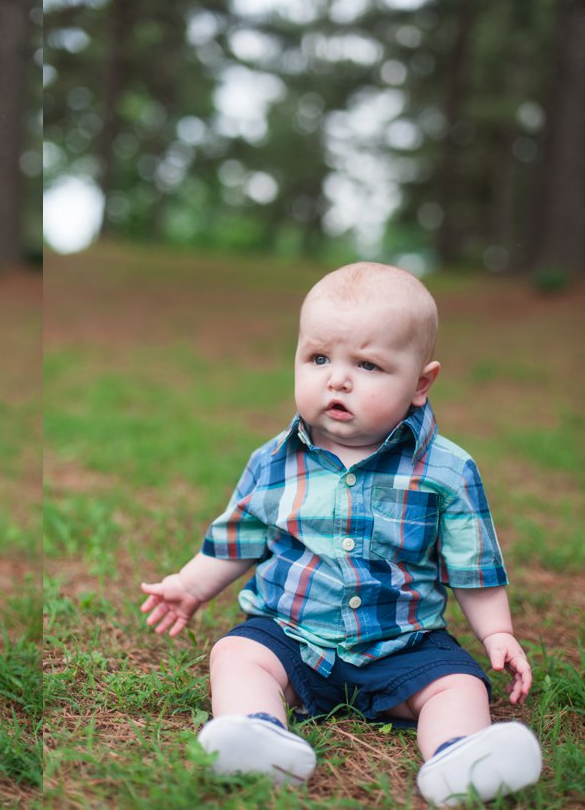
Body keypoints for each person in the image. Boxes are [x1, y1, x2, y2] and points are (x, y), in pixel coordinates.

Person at [140, 263, 542, 806]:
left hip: (405, 642)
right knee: (237, 654)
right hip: (293, 637)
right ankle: (260, 734)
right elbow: (241, 536)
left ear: (420, 383)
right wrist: (189, 586)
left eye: (369, 365)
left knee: (460, 684)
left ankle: (458, 756)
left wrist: (497, 634)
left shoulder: (447, 472)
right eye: (319, 358)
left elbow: (472, 566)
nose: (338, 379)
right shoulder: (275, 462)